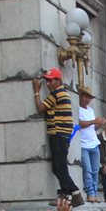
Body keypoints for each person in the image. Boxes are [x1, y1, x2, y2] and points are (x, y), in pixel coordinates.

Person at [33, 68, 82, 203]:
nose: (48, 84)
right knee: (58, 167)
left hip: (58, 134)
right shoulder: (63, 93)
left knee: (59, 167)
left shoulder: (56, 94)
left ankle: (75, 192)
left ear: (58, 80)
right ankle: (66, 194)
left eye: (50, 80)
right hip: (62, 135)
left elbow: (40, 108)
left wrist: (36, 91)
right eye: (46, 81)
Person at [77, 86, 105, 202]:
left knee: (94, 170)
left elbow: (92, 128)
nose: (88, 100)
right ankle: (89, 193)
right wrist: (94, 121)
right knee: (87, 170)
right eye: (86, 97)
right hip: (83, 144)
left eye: (89, 97)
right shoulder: (77, 109)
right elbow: (79, 124)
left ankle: (93, 192)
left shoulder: (90, 110)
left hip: (93, 143)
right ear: (81, 96)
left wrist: (99, 124)